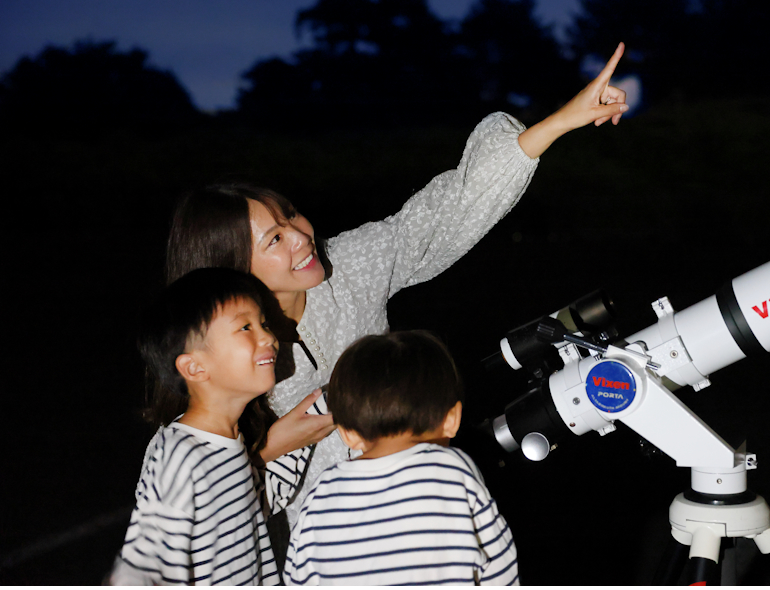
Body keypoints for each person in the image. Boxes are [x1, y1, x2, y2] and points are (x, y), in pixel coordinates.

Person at [163, 43, 630, 525]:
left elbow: (448, 209)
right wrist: (273, 446)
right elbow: (200, 510)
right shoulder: (222, 358)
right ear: (233, 269)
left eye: (292, 215)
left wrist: (557, 123)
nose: (302, 236)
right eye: (275, 238)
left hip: (419, 509)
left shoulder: (346, 265)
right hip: (323, 553)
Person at [109, 268, 310, 585]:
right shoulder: (179, 455)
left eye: (264, 323)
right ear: (195, 367)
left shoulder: (227, 441)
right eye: (246, 327)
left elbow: (255, 505)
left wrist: (324, 414)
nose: (269, 337)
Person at [284, 331, 518, 585]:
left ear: (348, 434)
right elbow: (499, 566)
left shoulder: (321, 493)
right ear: (451, 420)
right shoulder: (453, 471)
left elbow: (298, 577)